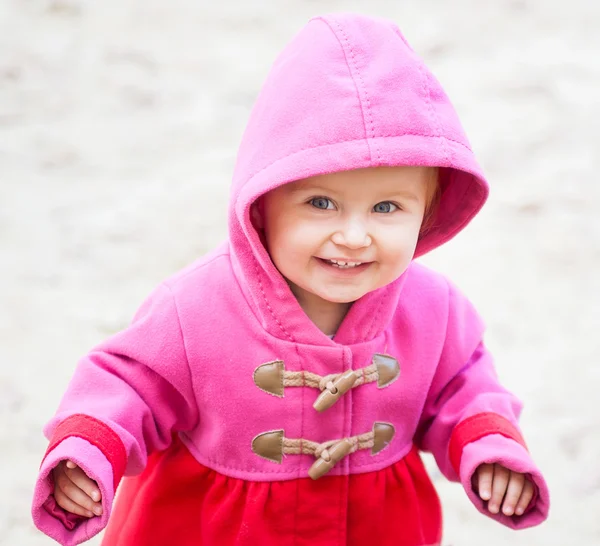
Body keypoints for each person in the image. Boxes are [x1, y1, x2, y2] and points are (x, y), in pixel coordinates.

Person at [31, 12, 549, 546]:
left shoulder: (434, 310)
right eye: (320, 203)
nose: (354, 235)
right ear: (262, 204)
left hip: (376, 528)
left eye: (387, 207)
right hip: (212, 529)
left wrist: (486, 445)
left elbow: (465, 387)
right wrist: (90, 451)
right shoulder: (193, 308)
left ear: (430, 211)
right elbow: (127, 385)